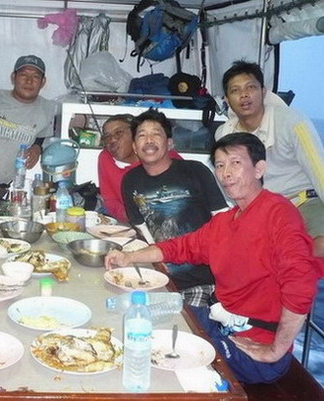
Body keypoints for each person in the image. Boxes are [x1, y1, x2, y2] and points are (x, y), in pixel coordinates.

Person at [106, 133, 322, 384]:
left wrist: (275, 350)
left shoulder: (278, 213)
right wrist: (129, 257)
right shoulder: (225, 222)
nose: (226, 173)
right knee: (141, 321)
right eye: (220, 165)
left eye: (235, 163)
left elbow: (301, 283)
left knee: (157, 357)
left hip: (254, 349)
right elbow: (180, 247)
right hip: (220, 324)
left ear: (259, 169)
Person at [215, 60, 324, 257]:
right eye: (235, 90)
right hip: (260, 212)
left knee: (317, 249)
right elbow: (227, 183)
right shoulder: (224, 134)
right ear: (227, 99)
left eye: (251, 87)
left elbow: (320, 172)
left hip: (303, 203)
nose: (244, 95)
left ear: (263, 92)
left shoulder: (291, 121)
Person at [121, 109, 227, 306]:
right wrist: (157, 263)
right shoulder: (130, 180)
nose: (149, 140)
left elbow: (223, 220)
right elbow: (142, 228)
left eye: (156, 134)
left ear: (169, 143)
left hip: (203, 282)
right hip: (160, 279)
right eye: (142, 135)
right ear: (134, 147)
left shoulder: (195, 171)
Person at [0, 55, 57, 220]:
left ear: (43, 82)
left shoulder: (47, 108)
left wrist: (37, 147)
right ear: (13, 77)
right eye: (23, 75)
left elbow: (41, 136)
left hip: (4, 191)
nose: (29, 81)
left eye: (35, 76)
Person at [98, 113, 182, 222]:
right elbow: (110, 200)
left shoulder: (166, 158)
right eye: (107, 137)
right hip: (127, 220)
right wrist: (129, 216)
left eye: (119, 133)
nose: (112, 140)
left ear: (135, 136)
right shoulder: (106, 158)